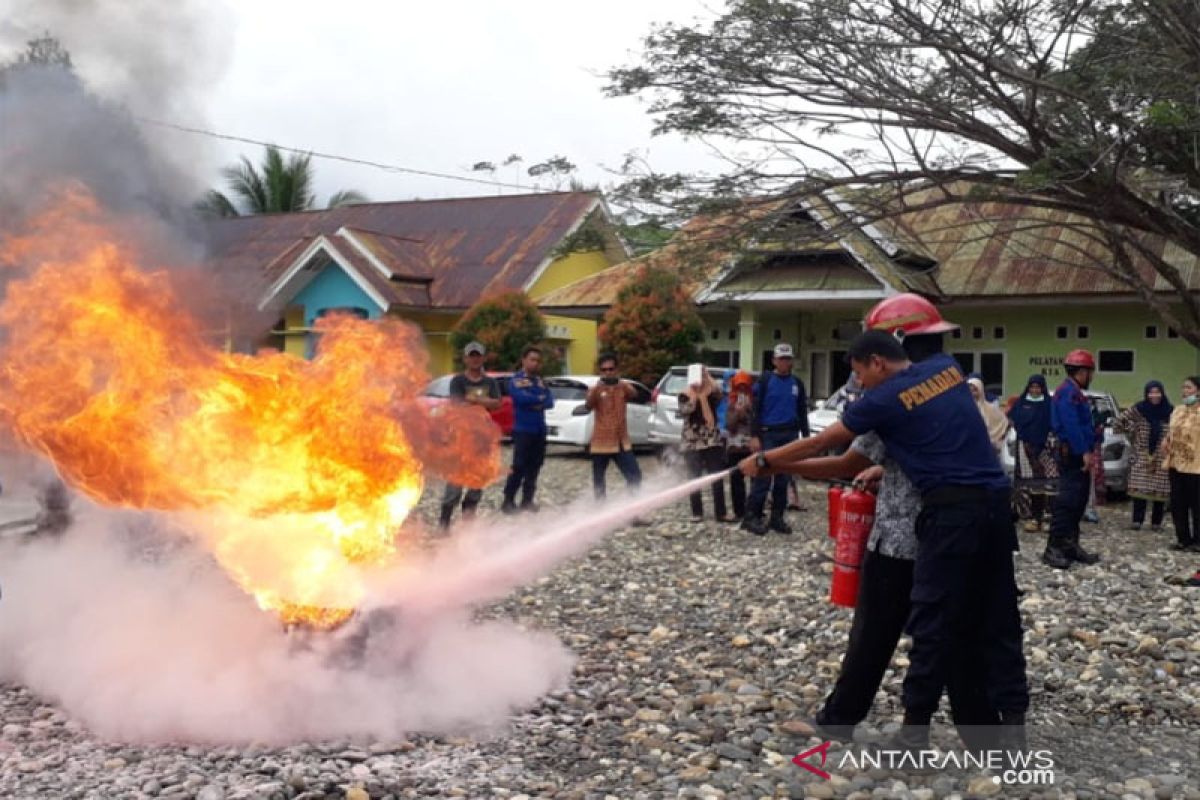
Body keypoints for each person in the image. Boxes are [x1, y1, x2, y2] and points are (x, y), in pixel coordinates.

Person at [741, 302, 1027, 752]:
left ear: (879, 357)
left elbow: (836, 450)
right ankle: (992, 732)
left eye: (859, 373)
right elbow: (888, 450)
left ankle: (905, 733)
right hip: (989, 510)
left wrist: (767, 461)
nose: (857, 384)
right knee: (986, 622)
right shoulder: (951, 373)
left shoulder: (883, 401)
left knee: (905, 631)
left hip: (921, 532)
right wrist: (880, 468)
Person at [741, 343, 810, 535]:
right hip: (768, 433)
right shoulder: (765, 381)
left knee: (783, 478)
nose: (785, 362)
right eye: (781, 359)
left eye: (788, 359)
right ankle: (752, 516)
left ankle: (777, 517)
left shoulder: (797, 383)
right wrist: (754, 435)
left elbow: (802, 411)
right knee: (762, 477)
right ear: (774, 360)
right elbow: (755, 410)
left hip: (789, 434)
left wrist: (806, 438)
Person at [1043, 349, 1102, 569]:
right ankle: (1054, 547)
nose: (1092, 376)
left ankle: (1070, 544)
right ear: (1082, 372)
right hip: (1073, 453)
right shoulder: (1068, 393)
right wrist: (1084, 451)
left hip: (1080, 450)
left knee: (1079, 501)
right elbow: (1071, 425)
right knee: (1068, 501)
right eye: (1090, 372)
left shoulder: (1074, 391)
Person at [438, 341, 503, 528]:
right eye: (471, 355)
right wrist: (484, 402)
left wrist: (474, 400)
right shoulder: (458, 381)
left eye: (478, 355)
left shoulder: (490, 382)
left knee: (477, 484)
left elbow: (497, 403)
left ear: (483, 358)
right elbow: (457, 403)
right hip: (460, 438)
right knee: (455, 485)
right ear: (465, 358)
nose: (475, 359)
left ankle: (467, 524)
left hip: (482, 439)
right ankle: (444, 523)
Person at [502, 345, 554, 514]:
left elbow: (550, 402)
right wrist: (538, 399)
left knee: (535, 466)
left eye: (538, 360)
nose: (535, 363)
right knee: (519, 465)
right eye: (532, 359)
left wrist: (536, 400)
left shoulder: (540, 381)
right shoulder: (516, 380)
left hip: (539, 430)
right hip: (524, 429)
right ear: (523, 360)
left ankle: (527, 500)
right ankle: (508, 500)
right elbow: (521, 399)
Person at [1115, 381, 1172, 532]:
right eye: (1151, 392)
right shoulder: (1139, 409)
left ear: (1162, 393)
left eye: (1157, 392)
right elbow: (1119, 422)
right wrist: (1133, 431)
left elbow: (1176, 431)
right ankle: (1137, 521)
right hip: (1142, 454)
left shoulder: (1170, 411)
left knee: (1159, 492)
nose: (1154, 395)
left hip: (1161, 456)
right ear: (1146, 394)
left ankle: (1156, 523)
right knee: (1139, 491)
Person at [586, 352, 642, 499]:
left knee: (635, 476)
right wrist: (598, 389)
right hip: (601, 441)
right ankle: (601, 513)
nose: (608, 373)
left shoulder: (623, 387)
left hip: (621, 441)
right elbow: (588, 405)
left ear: (616, 370)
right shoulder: (595, 389)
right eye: (604, 370)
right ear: (600, 372)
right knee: (599, 480)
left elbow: (635, 394)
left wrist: (620, 383)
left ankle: (633, 511)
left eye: (611, 369)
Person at [1007, 375, 1058, 533]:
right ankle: (1035, 518)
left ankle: (1049, 518)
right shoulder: (1021, 404)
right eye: (1032, 387)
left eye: (1038, 387)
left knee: (1050, 485)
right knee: (1033, 486)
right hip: (1026, 450)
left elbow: (1055, 425)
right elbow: (1011, 421)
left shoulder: (1049, 405)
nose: (1035, 390)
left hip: (1046, 450)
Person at [678, 366, 728, 522]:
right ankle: (697, 512)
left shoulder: (712, 392)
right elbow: (686, 411)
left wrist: (708, 379)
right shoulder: (684, 394)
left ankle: (721, 512)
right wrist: (696, 395)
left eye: (701, 374)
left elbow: (721, 395)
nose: (698, 378)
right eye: (696, 375)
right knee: (694, 477)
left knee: (716, 476)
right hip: (692, 441)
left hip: (711, 439)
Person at [1162, 376, 1200, 552]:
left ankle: (1198, 541)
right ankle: (1183, 539)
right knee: (1178, 503)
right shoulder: (1178, 410)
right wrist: (1166, 440)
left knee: (1197, 504)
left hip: (1196, 465)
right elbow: (1171, 430)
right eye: (1183, 387)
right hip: (1176, 463)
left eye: (1189, 388)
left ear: (1198, 391)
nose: (1185, 391)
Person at [723, 370, 755, 521]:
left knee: (756, 479)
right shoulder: (730, 402)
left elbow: (757, 423)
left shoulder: (755, 402)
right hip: (734, 448)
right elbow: (729, 425)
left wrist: (749, 409)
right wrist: (737, 412)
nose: (742, 390)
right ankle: (739, 511)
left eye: (745, 387)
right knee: (736, 481)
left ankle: (754, 510)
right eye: (739, 387)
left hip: (751, 447)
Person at [969, 376, 1009, 457]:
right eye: (969, 390)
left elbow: (1003, 423)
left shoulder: (990, 408)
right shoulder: (962, 408)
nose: (972, 393)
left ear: (981, 390)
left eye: (975, 390)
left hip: (988, 449)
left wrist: (995, 439)